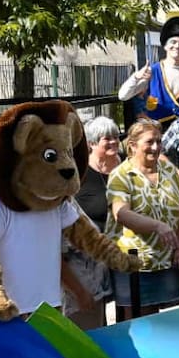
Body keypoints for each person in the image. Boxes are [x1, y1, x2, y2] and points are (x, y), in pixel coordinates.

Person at [105, 118, 179, 318]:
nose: (156, 147)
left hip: (169, 260)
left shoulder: (169, 170)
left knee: (169, 320)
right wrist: (157, 226)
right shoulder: (120, 175)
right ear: (133, 146)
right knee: (140, 320)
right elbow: (121, 213)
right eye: (150, 142)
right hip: (134, 262)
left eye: (159, 141)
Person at [64, 116, 120, 329]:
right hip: (91, 256)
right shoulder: (80, 174)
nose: (114, 142)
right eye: (107, 138)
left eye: (116, 137)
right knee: (95, 313)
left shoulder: (125, 166)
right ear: (92, 144)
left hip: (122, 247)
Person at [118, 16, 179, 127]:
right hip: (157, 133)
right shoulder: (151, 72)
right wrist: (136, 77)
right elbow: (123, 95)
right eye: (173, 42)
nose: (177, 46)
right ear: (165, 46)